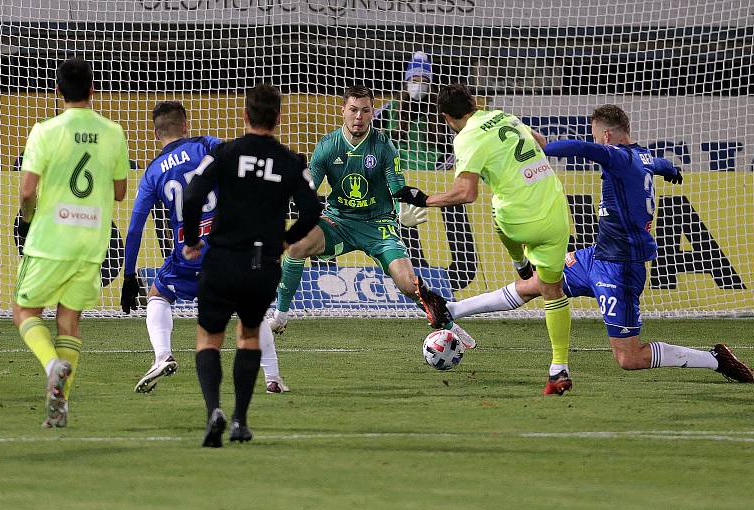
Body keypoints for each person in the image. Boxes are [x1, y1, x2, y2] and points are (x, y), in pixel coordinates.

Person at [418, 104, 754, 383]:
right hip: (597, 256)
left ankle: (715, 359)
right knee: (540, 283)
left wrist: (538, 150)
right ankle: (450, 310)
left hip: (621, 269)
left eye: (598, 136)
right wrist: (671, 171)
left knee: (629, 357)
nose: (597, 141)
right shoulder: (647, 157)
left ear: (606, 136)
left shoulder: (618, 157)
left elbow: (580, 148)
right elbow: (665, 166)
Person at [395, 84, 572, 395]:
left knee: (498, 207)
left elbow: (467, 193)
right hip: (556, 211)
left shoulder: (466, 137)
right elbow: (542, 142)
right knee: (552, 291)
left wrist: (424, 199)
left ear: (447, 118)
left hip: (518, 220)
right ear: (475, 103)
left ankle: (518, 261)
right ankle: (559, 366)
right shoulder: (503, 116)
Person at [268, 85, 476, 348]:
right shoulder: (327, 146)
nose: (359, 117)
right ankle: (280, 316)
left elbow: (397, 186)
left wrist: (403, 212)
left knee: (408, 285)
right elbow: (308, 189)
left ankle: (448, 323)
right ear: (343, 110)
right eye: (353, 110)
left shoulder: (383, 146)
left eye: (365, 111)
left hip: (379, 226)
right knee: (297, 246)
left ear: (372, 113)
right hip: (339, 222)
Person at [180, 84, 322, 447]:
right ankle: (241, 420)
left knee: (208, 338)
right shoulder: (291, 161)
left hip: (223, 259)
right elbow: (312, 209)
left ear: (245, 116)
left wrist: (194, 238)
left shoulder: (224, 153)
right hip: (262, 265)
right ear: (278, 118)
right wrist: (288, 240)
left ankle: (214, 410)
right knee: (248, 335)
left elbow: (193, 194)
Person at [120, 101, 291, 395]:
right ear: (185, 125)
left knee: (158, 294)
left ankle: (162, 355)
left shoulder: (152, 172)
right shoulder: (206, 146)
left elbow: (135, 228)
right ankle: (272, 378)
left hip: (189, 253)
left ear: (155, 133)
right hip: (227, 247)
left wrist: (128, 276)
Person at [12, 57, 129, 428]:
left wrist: (29, 217)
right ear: (93, 90)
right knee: (69, 322)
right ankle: (59, 403)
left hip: (50, 240)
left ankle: (51, 366)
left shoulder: (45, 131)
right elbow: (120, 192)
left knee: (25, 312)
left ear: (57, 91)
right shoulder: (114, 132)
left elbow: (28, 190)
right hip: (92, 242)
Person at [374, 51, 451, 171]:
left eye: (424, 82)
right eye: (414, 80)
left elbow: (450, 149)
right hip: (399, 173)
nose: (419, 85)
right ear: (407, 82)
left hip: (431, 176)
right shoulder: (389, 109)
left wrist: (438, 169)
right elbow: (368, 135)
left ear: (430, 85)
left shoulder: (441, 112)